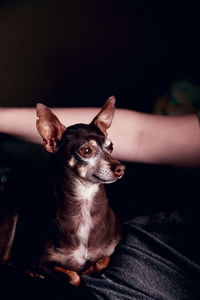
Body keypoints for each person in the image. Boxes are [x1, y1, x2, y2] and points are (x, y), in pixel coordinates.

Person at [0, 104, 200, 299]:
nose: (116, 164)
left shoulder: (112, 231)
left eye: (108, 148)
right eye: (87, 152)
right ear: (51, 141)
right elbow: (140, 134)